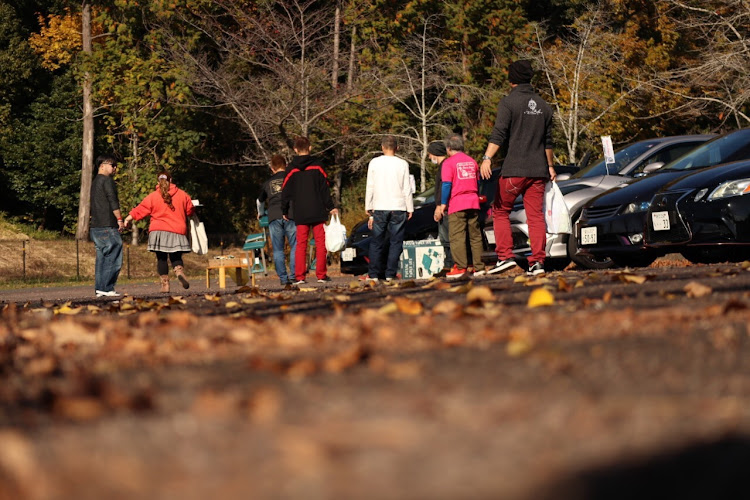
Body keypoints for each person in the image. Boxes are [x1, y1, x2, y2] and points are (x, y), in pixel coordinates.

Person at [479, 59, 555, 277]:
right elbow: (548, 141)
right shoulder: (544, 106)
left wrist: (487, 158)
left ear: (511, 78)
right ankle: (538, 262)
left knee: (501, 211)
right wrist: (550, 166)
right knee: (535, 216)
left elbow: (499, 133)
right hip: (538, 171)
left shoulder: (508, 102)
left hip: (514, 169)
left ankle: (505, 257)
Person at [123, 169, 195, 293]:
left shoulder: (153, 196)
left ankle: (165, 285)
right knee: (176, 256)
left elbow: (140, 209)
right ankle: (179, 271)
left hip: (158, 231)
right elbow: (190, 211)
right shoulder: (183, 195)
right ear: (171, 180)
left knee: (161, 259)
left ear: (158, 181)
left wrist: (128, 218)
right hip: (177, 230)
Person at [281, 136, 338, 285]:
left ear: (295, 149)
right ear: (310, 148)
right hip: (318, 210)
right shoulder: (317, 166)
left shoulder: (291, 168)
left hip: (300, 211)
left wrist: (284, 210)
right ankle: (321, 275)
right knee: (320, 243)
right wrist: (331, 206)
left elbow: (285, 191)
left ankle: (300, 277)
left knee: (301, 244)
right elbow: (324, 188)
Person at [364, 135, 414, 282]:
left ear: (382, 147)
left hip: (379, 206)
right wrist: (409, 207)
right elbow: (407, 188)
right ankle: (390, 273)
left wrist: (369, 206)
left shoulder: (374, 163)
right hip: (398, 207)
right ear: (397, 148)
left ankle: (373, 274)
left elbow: (370, 186)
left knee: (376, 241)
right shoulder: (402, 164)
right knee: (396, 242)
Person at [436, 134, 486, 279]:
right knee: (475, 237)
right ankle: (479, 267)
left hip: (457, 203)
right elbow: (477, 183)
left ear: (448, 148)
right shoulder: (472, 162)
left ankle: (461, 267)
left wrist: (444, 204)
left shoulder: (448, 163)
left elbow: (446, 185)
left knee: (457, 237)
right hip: (473, 201)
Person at [258, 154, 297, 285]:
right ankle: (294, 275)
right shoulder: (291, 178)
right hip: (291, 214)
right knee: (295, 246)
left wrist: (260, 212)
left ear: (272, 168)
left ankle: (283, 278)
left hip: (274, 216)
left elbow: (260, 201)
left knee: (278, 249)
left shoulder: (267, 182)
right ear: (285, 165)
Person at [90, 154, 124, 297]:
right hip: (107, 225)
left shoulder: (94, 182)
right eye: (112, 165)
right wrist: (120, 219)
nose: (115, 168)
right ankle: (107, 287)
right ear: (102, 165)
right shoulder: (107, 181)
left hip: (96, 226)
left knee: (102, 257)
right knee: (114, 255)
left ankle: (100, 288)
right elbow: (112, 200)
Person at [428, 140, 453, 277]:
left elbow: (443, 188)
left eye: (430, 154)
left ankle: (449, 264)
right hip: (446, 206)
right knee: (446, 237)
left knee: (446, 238)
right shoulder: (445, 165)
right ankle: (449, 264)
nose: (429, 157)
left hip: (445, 208)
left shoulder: (444, 166)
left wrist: (439, 206)